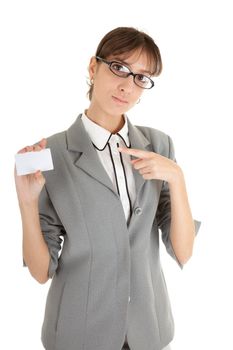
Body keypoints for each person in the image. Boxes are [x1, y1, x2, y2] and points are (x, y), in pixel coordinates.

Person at [14, 27, 201, 350]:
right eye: (119, 67)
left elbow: (183, 251)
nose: (127, 86)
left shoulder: (159, 145)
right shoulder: (48, 154)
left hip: (148, 329)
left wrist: (177, 178)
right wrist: (27, 204)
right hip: (79, 332)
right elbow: (41, 272)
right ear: (93, 67)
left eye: (141, 77)